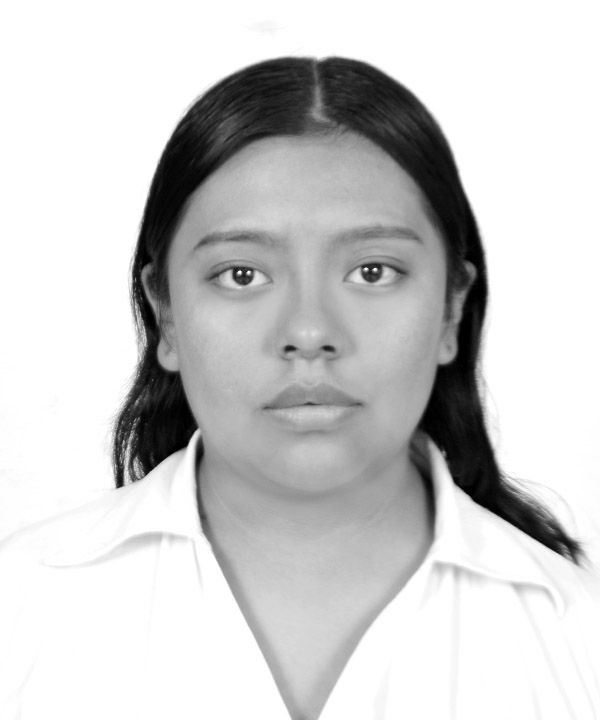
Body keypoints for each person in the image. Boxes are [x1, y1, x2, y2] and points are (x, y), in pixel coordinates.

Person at [0, 56, 598, 720]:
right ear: (165, 313)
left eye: (373, 271)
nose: (309, 332)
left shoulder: (578, 640)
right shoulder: (18, 611)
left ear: (452, 309)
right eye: (242, 274)